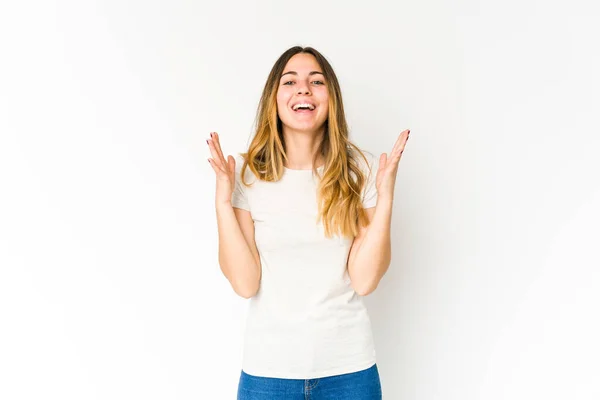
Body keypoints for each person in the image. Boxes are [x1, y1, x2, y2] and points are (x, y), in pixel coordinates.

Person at [206, 45, 410, 400]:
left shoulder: (357, 170)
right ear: (274, 98)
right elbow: (244, 282)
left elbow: (365, 280)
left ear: (331, 99)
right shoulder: (247, 174)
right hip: (268, 373)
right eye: (291, 81)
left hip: (349, 372)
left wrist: (385, 197)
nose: (303, 89)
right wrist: (223, 201)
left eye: (316, 81)